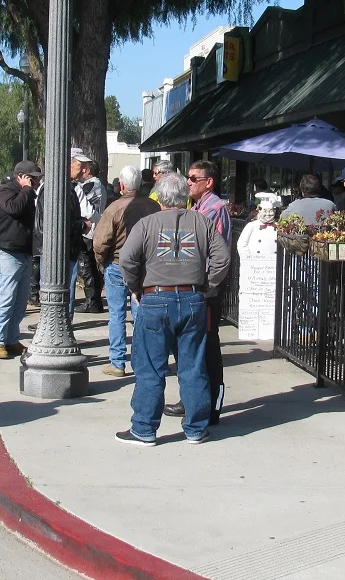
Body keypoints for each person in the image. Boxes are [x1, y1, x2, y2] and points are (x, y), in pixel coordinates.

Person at [116, 173, 230, 445]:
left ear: (160, 197)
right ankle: (196, 428)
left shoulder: (146, 224)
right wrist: (208, 285)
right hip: (193, 298)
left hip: (154, 298)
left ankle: (143, 429)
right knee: (192, 366)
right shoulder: (201, 222)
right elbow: (222, 258)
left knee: (150, 367)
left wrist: (135, 288)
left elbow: (127, 259)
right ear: (183, 196)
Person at [161, 159, 232, 423]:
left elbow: (214, 256)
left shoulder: (213, 209)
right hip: (195, 287)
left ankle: (211, 406)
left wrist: (208, 285)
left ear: (208, 182)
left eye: (193, 178)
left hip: (207, 290)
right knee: (192, 346)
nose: (188, 182)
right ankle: (192, 399)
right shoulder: (198, 207)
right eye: (187, 178)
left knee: (209, 347)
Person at [92, 165, 160, 377]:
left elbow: (100, 242)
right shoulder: (153, 206)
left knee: (117, 314)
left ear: (121, 185)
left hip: (117, 264)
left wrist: (101, 262)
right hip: (145, 266)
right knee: (142, 314)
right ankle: (143, 360)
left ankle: (118, 361)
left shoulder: (114, 208)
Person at [0, 160, 41, 359]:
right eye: (33, 178)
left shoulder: (27, 194)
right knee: (6, 297)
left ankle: (11, 338)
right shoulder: (6, 191)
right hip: (6, 252)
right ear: (21, 176)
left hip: (23, 252)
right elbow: (14, 208)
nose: (36, 181)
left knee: (20, 301)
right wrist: (27, 190)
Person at [70, 154, 106, 314]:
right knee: (91, 266)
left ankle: (92, 302)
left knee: (87, 267)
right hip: (93, 230)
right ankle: (94, 301)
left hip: (89, 231)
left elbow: (84, 209)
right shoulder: (99, 186)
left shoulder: (89, 186)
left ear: (88, 171)